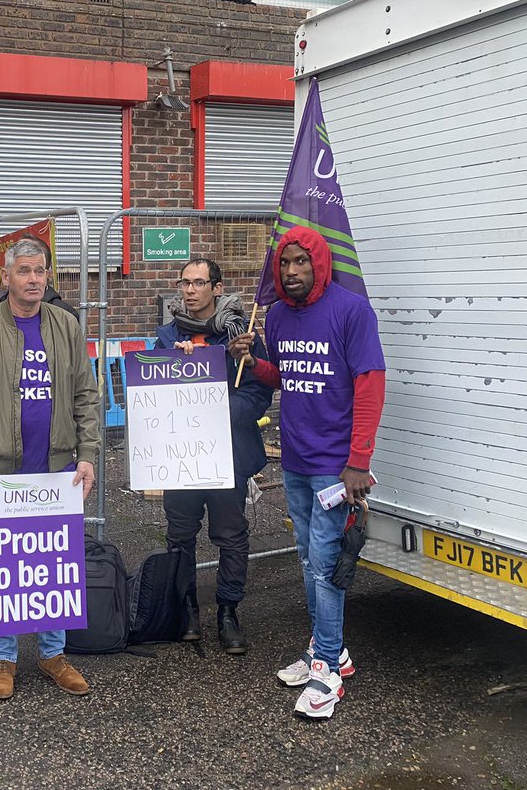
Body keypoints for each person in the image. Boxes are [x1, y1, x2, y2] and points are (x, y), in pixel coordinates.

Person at [230, 225, 386, 719]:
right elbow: (285, 374)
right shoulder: (276, 314)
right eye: (286, 263)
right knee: (306, 558)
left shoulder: (350, 310)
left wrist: (358, 460)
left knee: (325, 563)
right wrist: (254, 363)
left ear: (319, 263)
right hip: (294, 458)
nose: (293, 272)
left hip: (336, 468)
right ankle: (329, 648)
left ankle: (328, 674)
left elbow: (370, 384)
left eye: (302, 262)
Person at [0, 238, 101, 701]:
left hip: (57, 470)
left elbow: (85, 394)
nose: (34, 279)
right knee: (7, 570)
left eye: (40, 270)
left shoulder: (66, 325)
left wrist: (89, 452)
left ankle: (53, 654)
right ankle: (4, 659)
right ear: (6, 277)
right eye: (25, 270)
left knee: (51, 566)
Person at [154, 258, 273, 652]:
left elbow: (258, 396)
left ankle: (227, 611)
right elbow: (153, 397)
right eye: (185, 283)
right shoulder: (167, 336)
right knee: (180, 537)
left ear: (217, 289)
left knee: (231, 536)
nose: (189, 291)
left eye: (199, 283)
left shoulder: (241, 335)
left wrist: (218, 410)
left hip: (228, 455)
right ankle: (188, 608)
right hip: (182, 457)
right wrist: (175, 365)